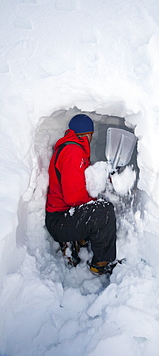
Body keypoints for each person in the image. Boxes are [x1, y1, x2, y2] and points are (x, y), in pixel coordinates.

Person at [45, 114, 117, 275]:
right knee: (103, 212)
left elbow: (81, 182)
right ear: (88, 134)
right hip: (60, 221)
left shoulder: (75, 150)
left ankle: (80, 240)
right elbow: (74, 198)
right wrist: (95, 201)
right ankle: (101, 264)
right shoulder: (72, 152)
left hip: (63, 216)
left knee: (100, 206)